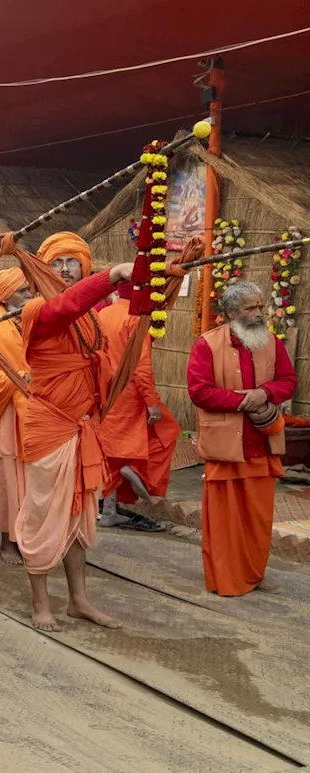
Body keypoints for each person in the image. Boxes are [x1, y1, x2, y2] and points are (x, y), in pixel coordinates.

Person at [17, 232, 131, 632]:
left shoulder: (91, 318)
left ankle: (79, 601)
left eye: (73, 262)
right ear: (43, 269)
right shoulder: (37, 308)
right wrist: (112, 275)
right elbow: (63, 307)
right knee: (42, 517)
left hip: (83, 429)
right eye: (58, 262)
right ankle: (40, 603)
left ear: (84, 265)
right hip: (49, 428)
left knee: (80, 519)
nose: (65, 270)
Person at [188, 281, 296, 596]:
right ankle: (227, 579)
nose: (258, 312)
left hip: (262, 445)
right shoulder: (206, 345)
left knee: (258, 520)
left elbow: (288, 380)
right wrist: (240, 400)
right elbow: (199, 390)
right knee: (224, 522)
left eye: (261, 306)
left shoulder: (272, 343)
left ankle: (254, 573)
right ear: (233, 312)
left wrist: (264, 392)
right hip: (225, 447)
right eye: (251, 307)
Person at [96, 282, 179, 530]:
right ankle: (136, 472)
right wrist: (151, 402)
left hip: (105, 390)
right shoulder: (136, 319)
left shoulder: (103, 314)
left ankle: (109, 510)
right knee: (168, 431)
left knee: (111, 453)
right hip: (131, 392)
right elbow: (140, 366)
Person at [0, 268, 32, 564]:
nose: (28, 295)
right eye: (22, 291)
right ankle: (6, 542)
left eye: (27, 290)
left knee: (31, 480)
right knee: (6, 480)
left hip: (34, 411)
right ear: (4, 295)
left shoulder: (30, 319)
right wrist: (19, 378)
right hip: (7, 412)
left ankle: (29, 538)